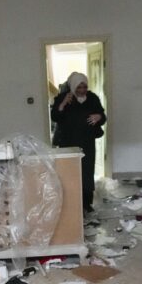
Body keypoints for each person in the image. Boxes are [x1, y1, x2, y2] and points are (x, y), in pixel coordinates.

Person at [51, 71, 106, 212]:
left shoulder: (92, 98)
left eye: (84, 87)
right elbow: (55, 116)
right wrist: (63, 104)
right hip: (68, 142)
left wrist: (98, 117)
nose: (82, 91)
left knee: (87, 172)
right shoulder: (63, 97)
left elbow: (103, 116)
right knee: (70, 172)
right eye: (79, 88)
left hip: (87, 141)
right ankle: (71, 203)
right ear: (73, 86)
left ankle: (87, 203)